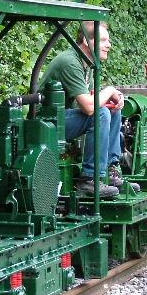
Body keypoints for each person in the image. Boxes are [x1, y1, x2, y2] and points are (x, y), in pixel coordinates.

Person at [39, 21, 136, 197]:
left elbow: (89, 100)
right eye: (104, 40)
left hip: (63, 119)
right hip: (45, 125)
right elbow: (89, 107)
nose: (109, 45)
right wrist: (110, 90)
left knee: (112, 110)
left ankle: (110, 170)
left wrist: (111, 99)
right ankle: (89, 179)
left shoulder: (88, 64)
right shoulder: (70, 62)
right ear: (86, 41)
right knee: (100, 113)